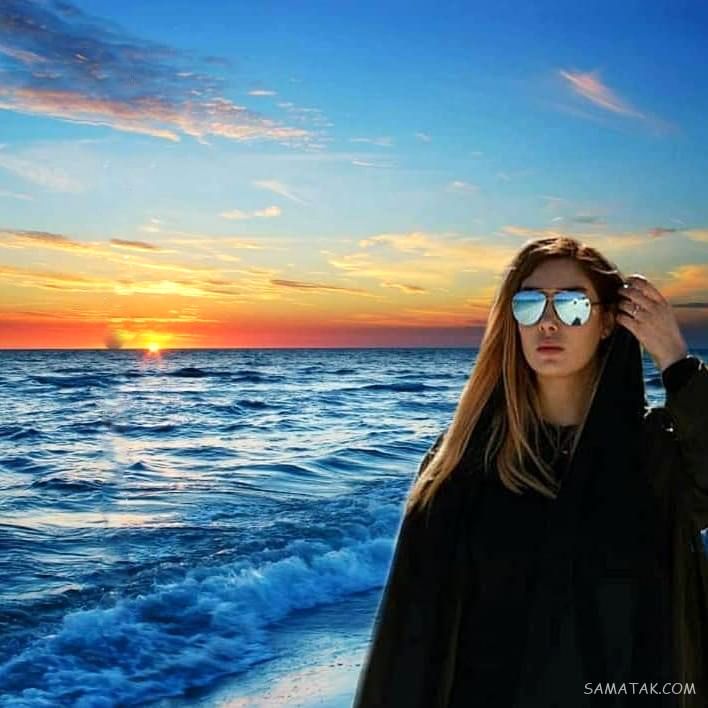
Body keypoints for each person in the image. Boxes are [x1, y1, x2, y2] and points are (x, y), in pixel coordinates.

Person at [352, 236, 707, 708]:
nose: (548, 321)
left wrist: (676, 363)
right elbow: (411, 632)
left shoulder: (650, 456)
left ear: (607, 322)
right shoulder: (464, 460)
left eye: (573, 305)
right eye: (528, 305)